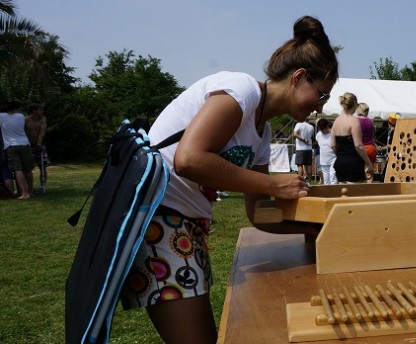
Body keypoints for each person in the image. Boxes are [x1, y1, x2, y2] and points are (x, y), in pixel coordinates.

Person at [119, 15, 337, 343]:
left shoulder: (261, 135)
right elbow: (189, 159)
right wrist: (272, 184)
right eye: (321, 95)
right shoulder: (242, 90)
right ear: (299, 77)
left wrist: (320, 228)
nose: (321, 107)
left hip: (185, 226)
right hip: (157, 221)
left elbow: (258, 214)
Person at [331, 92, 372, 183]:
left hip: (340, 162)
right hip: (353, 162)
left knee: (343, 194)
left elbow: (333, 145)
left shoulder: (336, 121)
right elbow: (358, 145)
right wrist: (368, 163)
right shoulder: (354, 121)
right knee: (354, 194)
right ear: (354, 105)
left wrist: (340, 156)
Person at [0, 100, 34, 199]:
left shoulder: (1, 116)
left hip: (10, 145)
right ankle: (30, 191)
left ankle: (24, 193)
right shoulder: (21, 116)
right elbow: (29, 127)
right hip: (24, 143)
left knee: (17, 169)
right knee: (28, 169)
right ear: (16, 108)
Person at [24, 103, 48, 193]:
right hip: (28, 145)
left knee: (43, 166)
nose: (42, 112)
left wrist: (39, 143)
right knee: (27, 167)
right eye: (40, 110)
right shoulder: (25, 120)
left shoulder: (43, 119)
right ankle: (27, 187)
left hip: (40, 145)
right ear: (34, 111)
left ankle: (42, 186)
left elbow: (42, 132)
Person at [357, 102, 376, 182]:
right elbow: (373, 135)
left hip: (360, 148)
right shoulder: (371, 121)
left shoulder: (356, 121)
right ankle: (369, 189)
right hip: (370, 147)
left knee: (357, 171)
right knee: (369, 170)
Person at [315, 118, 336, 185]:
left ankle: (334, 194)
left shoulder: (333, 134)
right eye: (321, 129)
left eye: (323, 128)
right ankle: (327, 194)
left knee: (333, 177)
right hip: (323, 160)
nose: (323, 130)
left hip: (333, 159)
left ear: (327, 126)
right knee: (326, 179)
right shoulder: (318, 135)